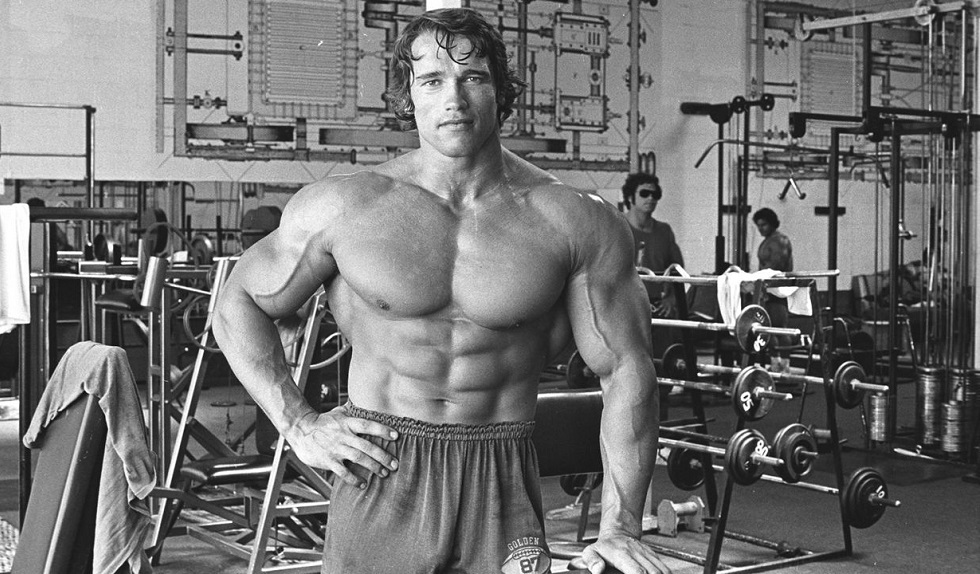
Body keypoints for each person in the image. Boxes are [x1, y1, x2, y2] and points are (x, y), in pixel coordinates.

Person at [213, 8, 668, 574]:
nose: (453, 98)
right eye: (431, 80)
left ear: (502, 91)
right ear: (407, 96)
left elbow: (627, 369)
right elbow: (237, 302)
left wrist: (620, 528)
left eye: (473, 77)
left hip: (500, 474)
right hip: (382, 468)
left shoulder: (573, 221)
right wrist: (299, 423)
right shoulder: (344, 207)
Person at [621, 173, 684, 319]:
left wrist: (672, 298)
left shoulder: (664, 231)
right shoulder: (616, 227)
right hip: (623, 308)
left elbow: (677, 271)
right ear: (630, 197)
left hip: (656, 308)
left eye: (655, 195)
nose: (650, 198)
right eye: (644, 193)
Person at [753, 207, 794, 372]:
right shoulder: (769, 240)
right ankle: (775, 363)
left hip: (777, 289)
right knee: (768, 328)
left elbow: (776, 266)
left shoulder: (780, 241)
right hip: (767, 289)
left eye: (763, 225)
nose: (760, 229)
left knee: (780, 328)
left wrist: (758, 278)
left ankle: (785, 366)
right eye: (758, 225)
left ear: (772, 223)